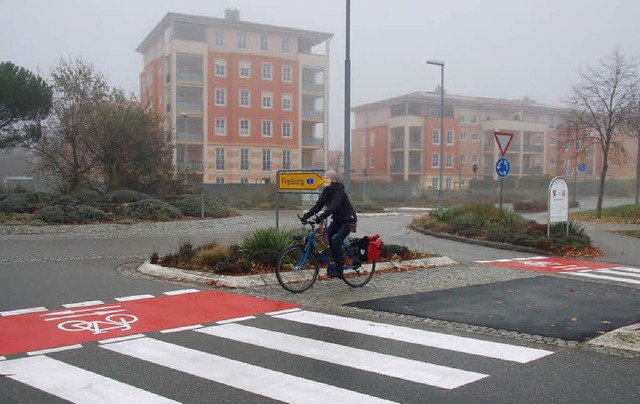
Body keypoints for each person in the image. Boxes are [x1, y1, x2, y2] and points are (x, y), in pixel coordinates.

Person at [300, 170, 357, 278]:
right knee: (321, 238)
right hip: (337, 220)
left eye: (327, 178)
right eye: (324, 177)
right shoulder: (326, 190)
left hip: (348, 220)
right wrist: (306, 216)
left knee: (335, 242)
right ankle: (333, 259)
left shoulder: (339, 191)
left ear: (333, 180)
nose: (325, 179)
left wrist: (321, 217)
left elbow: (334, 206)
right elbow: (318, 205)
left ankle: (339, 270)